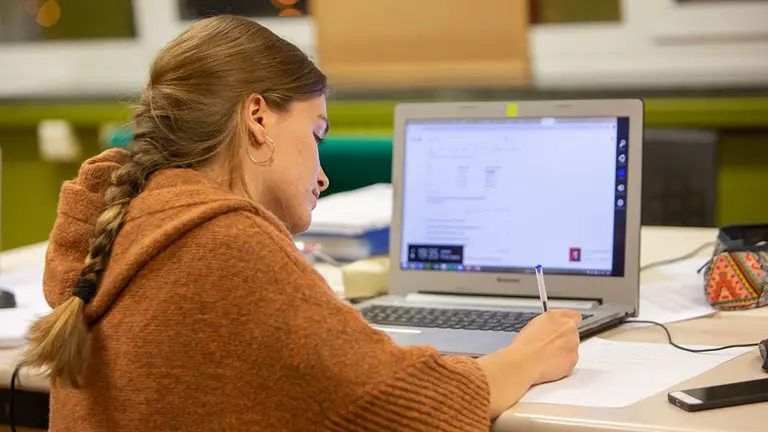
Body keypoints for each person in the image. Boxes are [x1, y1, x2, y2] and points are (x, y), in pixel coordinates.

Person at [19, 15, 581, 431]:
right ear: (258, 117)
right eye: (316, 134)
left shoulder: (135, 221)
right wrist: (526, 357)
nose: (323, 174)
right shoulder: (222, 241)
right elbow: (405, 406)